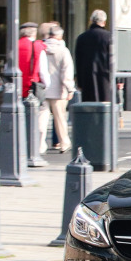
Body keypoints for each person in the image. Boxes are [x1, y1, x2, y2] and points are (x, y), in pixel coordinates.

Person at [43, 24, 76, 153]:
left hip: (43, 89)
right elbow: (66, 72)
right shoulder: (63, 51)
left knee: (42, 119)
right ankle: (64, 143)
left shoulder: (42, 48)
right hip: (59, 90)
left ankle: (39, 145)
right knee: (60, 119)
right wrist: (70, 88)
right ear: (60, 36)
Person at [74, 9, 114, 102]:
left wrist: (79, 82)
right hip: (105, 76)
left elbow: (78, 61)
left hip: (87, 76)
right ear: (104, 22)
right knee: (105, 105)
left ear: (91, 21)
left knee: (89, 105)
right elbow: (112, 58)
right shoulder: (109, 37)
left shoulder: (81, 37)